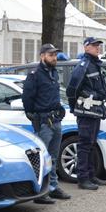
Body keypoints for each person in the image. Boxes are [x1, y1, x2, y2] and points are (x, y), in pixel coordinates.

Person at [22, 43, 71, 202]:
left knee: (54, 157)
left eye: (55, 55)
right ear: (42, 56)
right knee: (43, 158)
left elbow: (53, 95)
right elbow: (27, 99)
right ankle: (41, 192)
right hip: (43, 121)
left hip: (55, 119)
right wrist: (35, 116)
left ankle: (53, 187)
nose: (54, 58)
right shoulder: (35, 75)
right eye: (51, 55)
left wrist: (59, 108)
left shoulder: (53, 73)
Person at [66, 37, 106, 190]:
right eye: (94, 45)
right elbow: (71, 90)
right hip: (86, 112)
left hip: (95, 110)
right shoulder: (83, 66)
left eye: (98, 45)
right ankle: (83, 178)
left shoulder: (94, 65)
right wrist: (75, 108)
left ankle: (91, 175)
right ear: (86, 47)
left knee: (91, 144)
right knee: (84, 145)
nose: (98, 48)